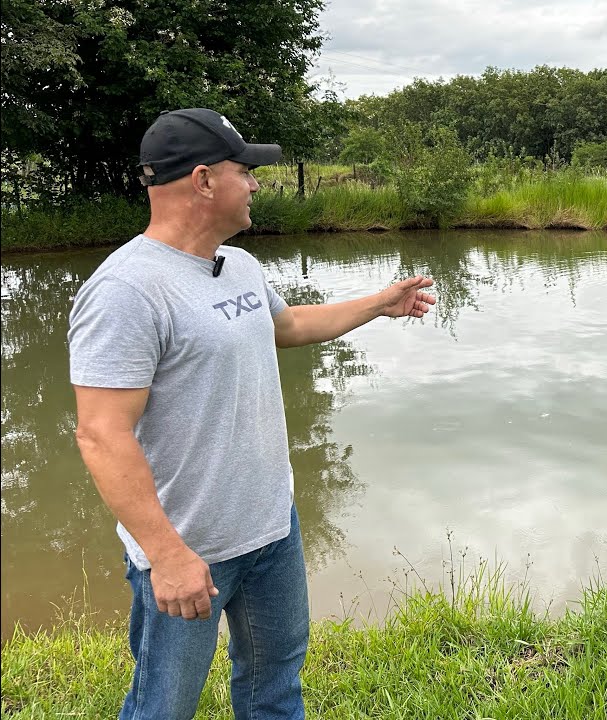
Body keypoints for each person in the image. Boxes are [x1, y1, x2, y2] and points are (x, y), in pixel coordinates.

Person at [68, 108, 435, 720]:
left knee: (275, 692)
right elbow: (101, 434)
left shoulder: (237, 264)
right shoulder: (126, 290)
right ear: (205, 180)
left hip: (271, 528)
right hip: (190, 548)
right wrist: (167, 555)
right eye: (247, 170)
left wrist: (380, 303)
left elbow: (284, 326)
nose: (257, 183)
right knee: (164, 706)